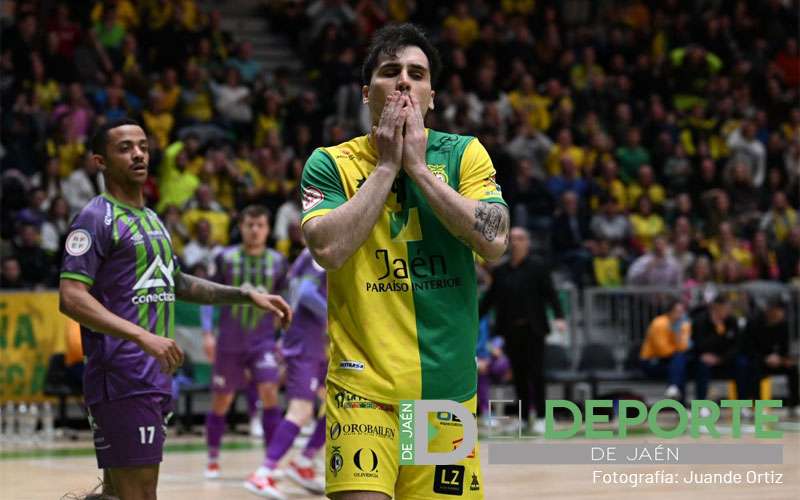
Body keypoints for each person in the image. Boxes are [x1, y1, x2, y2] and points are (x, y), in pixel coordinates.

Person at [300, 23, 509, 500]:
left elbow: (494, 239)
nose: (403, 82)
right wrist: (387, 166)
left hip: (445, 391)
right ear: (366, 93)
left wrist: (417, 167)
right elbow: (327, 249)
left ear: (431, 95)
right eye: (390, 72)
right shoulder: (330, 162)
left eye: (417, 74)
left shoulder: (463, 154)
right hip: (363, 386)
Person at [58, 118, 292, 500]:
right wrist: (142, 336)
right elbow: (71, 297)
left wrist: (246, 295)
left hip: (151, 376)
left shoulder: (152, 220)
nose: (137, 154)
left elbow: (177, 282)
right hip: (123, 374)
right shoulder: (95, 218)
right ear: (100, 162)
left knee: (119, 494)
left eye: (143, 146)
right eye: (125, 148)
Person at [199, 205, 290, 497]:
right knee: (222, 400)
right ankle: (213, 458)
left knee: (270, 391)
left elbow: (284, 301)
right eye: (249, 224)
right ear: (241, 225)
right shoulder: (225, 258)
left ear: (267, 228)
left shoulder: (278, 261)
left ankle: (268, 463)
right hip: (229, 341)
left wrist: (282, 337)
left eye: (260, 225)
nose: (254, 230)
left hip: (263, 340)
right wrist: (207, 333)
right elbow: (207, 294)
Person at [480, 227, 566, 433]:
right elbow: (489, 301)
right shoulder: (500, 272)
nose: (516, 242)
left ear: (527, 243)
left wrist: (560, 316)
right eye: (513, 238)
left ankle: (542, 417)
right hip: (510, 330)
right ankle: (524, 417)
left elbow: (551, 294)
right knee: (518, 375)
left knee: (536, 373)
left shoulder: (538, 267)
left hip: (534, 329)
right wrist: (474, 317)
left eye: (520, 238)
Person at [258, 247, 328, 498]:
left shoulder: (317, 254)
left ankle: (304, 462)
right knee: (301, 410)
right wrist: (334, 316)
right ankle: (263, 473)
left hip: (317, 342)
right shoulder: (318, 253)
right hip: (304, 343)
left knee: (336, 405)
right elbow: (307, 294)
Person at [639, 300, 692, 401]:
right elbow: (663, 351)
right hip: (651, 361)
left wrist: (678, 334)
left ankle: (673, 387)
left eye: (682, 312)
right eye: (678, 312)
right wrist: (677, 345)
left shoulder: (684, 325)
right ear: (670, 312)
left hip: (671, 361)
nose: (681, 315)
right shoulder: (659, 323)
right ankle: (681, 403)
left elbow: (684, 347)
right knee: (679, 364)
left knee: (680, 364)